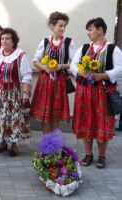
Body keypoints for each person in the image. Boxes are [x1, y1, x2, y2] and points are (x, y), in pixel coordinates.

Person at [70, 17, 122, 168]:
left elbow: (119, 68)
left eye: (91, 29)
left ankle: (102, 156)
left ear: (100, 30)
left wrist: (102, 75)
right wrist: (80, 72)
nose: (88, 33)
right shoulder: (84, 47)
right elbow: (73, 64)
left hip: (103, 91)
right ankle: (88, 154)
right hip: (85, 91)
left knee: (102, 122)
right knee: (87, 121)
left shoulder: (113, 49)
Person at [30, 11, 76, 134]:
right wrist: (45, 68)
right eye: (60, 25)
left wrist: (62, 65)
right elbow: (35, 60)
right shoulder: (45, 41)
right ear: (52, 26)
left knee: (56, 115)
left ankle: (54, 146)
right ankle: (47, 147)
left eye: (64, 26)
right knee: (46, 116)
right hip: (46, 81)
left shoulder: (69, 43)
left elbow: (75, 63)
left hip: (60, 81)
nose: (63, 28)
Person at [0, 28, 32, 157]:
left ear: (13, 41)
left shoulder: (20, 55)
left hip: (13, 93)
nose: (4, 41)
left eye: (7, 38)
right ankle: (2, 143)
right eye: (2, 38)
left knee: (13, 118)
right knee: (0, 117)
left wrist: (25, 93)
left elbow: (27, 75)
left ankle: (14, 145)